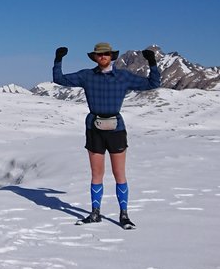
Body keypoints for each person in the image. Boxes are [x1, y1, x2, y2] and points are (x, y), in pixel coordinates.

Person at [52, 42, 160, 229]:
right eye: (99, 54)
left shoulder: (123, 77)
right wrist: (58, 59)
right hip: (94, 129)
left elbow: (153, 83)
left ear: (112, 56)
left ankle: (124, 215)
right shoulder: (87, 76)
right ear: (94, 57)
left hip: (116, 129)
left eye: (106, 54)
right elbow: (59, 79)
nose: (103, 56)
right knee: (96, 174)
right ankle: (95, 213)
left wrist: (152, 62)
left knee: (119, 173)